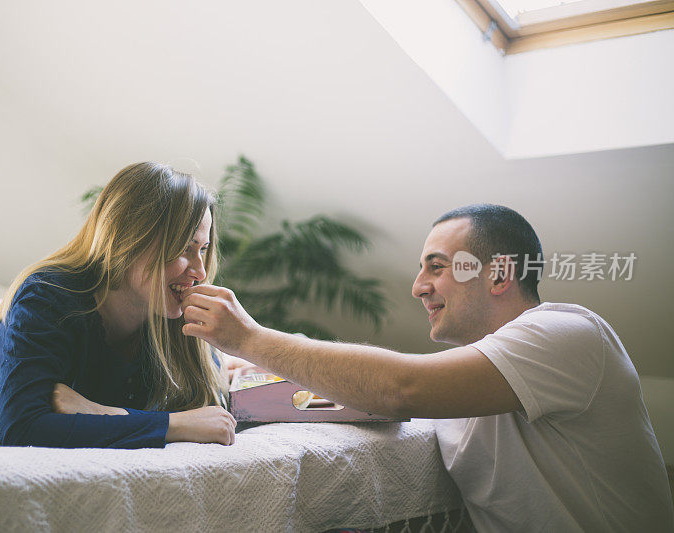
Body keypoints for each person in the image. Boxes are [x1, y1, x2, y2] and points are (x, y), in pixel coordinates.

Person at [178, 204, 674, 532]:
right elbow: (366, 391)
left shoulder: (567, 335)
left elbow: (401, 386)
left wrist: (252, 338)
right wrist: (245, 371)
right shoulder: (468, 387)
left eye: (436, 267)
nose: (417, 286)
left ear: (499, 273)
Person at [0, 164, 237, 448]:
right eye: (184, 249)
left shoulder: (166, 313)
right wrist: (172, 425)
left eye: (202, 249)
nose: (201, 272)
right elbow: (22, 428)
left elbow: (210, 401)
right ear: (131, 242)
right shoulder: (49, 294)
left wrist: (97, 412)